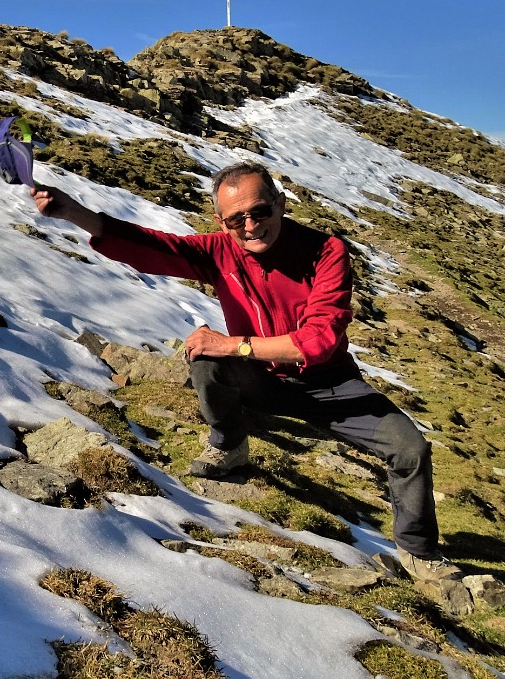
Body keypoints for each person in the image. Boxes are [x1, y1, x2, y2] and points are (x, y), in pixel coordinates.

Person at [32, 161, 470, 608]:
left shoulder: (325, 251)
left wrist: (236, 346)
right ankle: (229, 445)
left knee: (410, 448)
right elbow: (151, 247)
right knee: (204, 360)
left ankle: (418, 553)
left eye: (260, 211)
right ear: (221, 221)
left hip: (332, 385)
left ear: (280, 204)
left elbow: (318, 341)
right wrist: (75, 213)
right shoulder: (220, 251)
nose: (250, 225)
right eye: (235, 219)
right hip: (263, 381)